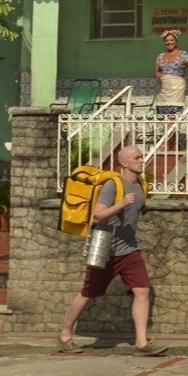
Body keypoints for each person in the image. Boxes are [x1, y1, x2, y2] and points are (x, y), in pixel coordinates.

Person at [57, 145, 167, 356]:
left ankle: (142, 343)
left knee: (142, 290)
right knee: (88, 292)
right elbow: (98, 216)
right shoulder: (112, 185)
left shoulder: (141, 185)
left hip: (130, 248)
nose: (143, 160)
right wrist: (121, 204)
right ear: (124, 163)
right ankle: (65, 333)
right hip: (105, 248)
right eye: (137, 157)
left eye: (142, 156)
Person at [154, 29, 188, 115]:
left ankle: (171, 128)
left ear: (176, 42)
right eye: (167, 41)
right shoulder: (160, 56)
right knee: (162, 115)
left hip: (177, 89)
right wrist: (156, 74)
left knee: (173, 113)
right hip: (162, 89)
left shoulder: (183, 54)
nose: (169, 42)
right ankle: (166, 128)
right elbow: (156, 72)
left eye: (171, 40)